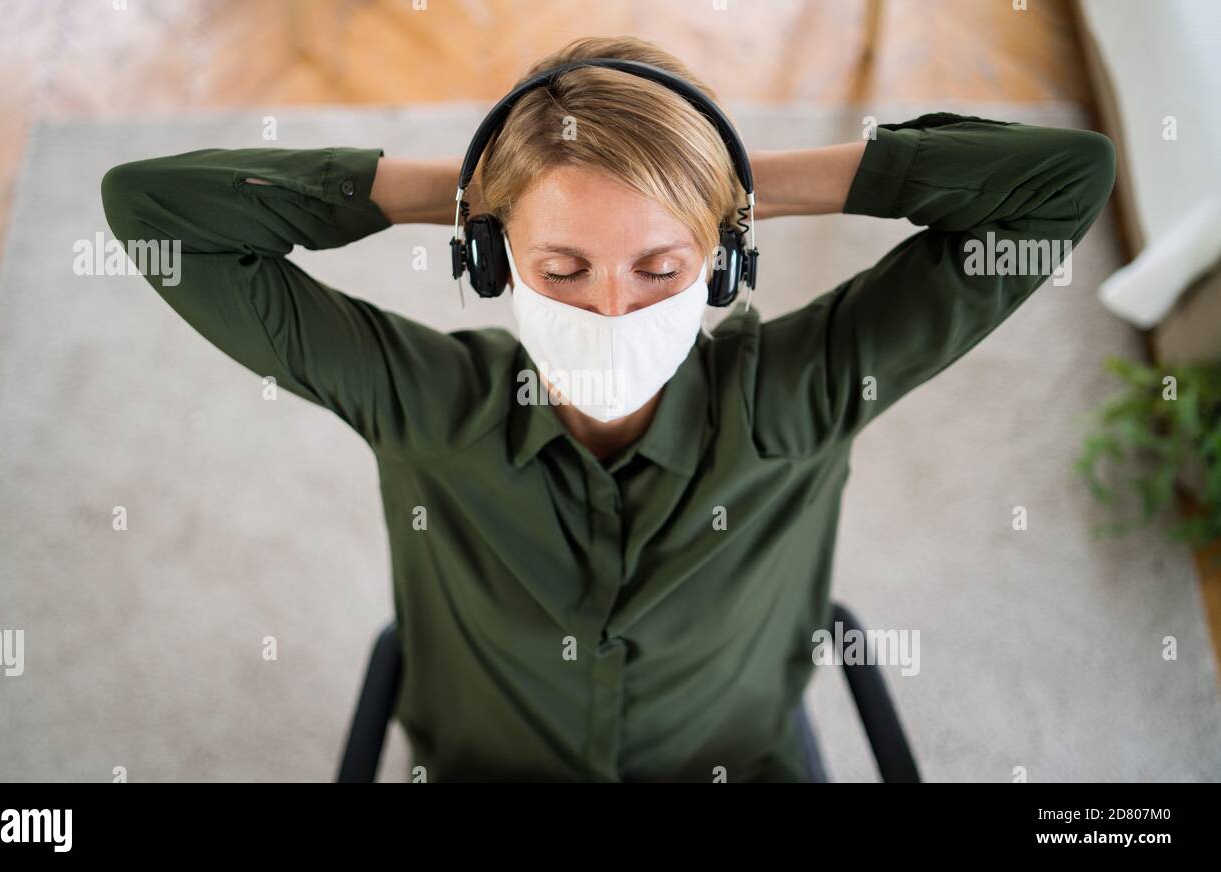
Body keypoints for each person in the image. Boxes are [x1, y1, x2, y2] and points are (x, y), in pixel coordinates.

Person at [100, 35, 1115, 782]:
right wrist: (468, 192)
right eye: (563, 264)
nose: (613, 307)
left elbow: (1059, 185)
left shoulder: (798, 393)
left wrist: (728, 185)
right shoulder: (426, 402)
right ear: (496, 260)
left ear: (720, 262)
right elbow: (158, 215)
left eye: (659, 263)